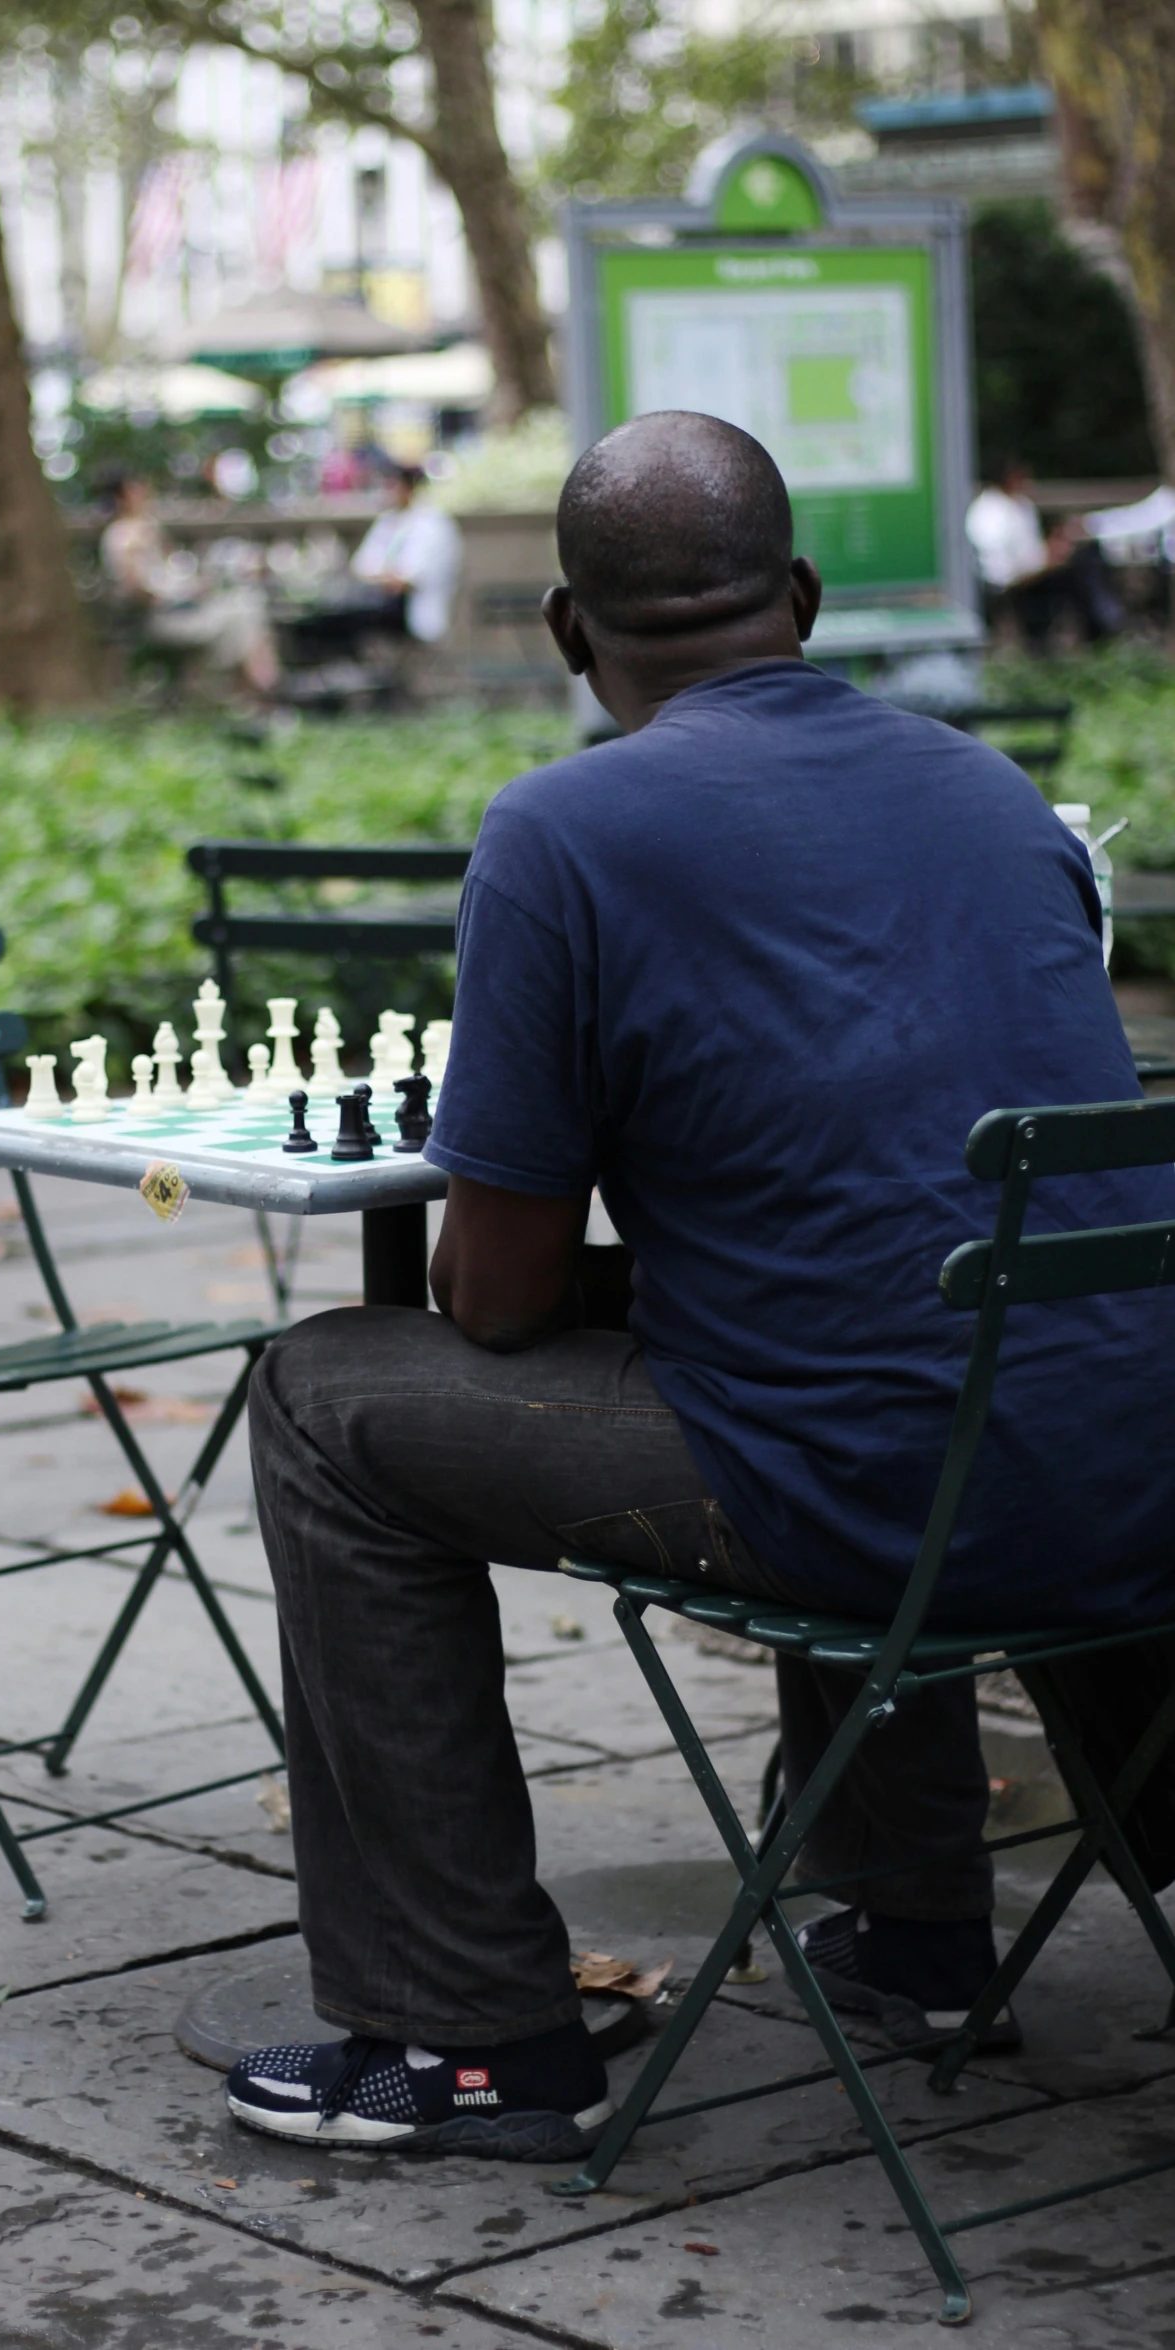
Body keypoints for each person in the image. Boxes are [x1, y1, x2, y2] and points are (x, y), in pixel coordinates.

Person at [226, 411, 1175, 2161]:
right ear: (802, 597)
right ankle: (914, 1938)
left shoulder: (562, 832)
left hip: (870, 1499)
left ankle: (473, 2042)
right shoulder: (993, 797)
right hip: (1123, 1477)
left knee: (322, 1399)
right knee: (848, 1346)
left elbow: (495, 1304)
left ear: (570, 636)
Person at [98, 474, 279, 701]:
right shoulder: (121, 536)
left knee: (246, 606)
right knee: (245, 612)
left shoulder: (149, 526)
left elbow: (174, 569)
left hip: (184, 607)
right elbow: (135, 587)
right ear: (121, 497)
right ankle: (260, 692)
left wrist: (194, 589)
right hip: (161, 618)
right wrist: (175, 599)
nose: (144, 492)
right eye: (135, 489)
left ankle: (257, 691)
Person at [965, 459, 1121, 649]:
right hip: (1015, 581)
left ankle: (1103, 623)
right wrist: (1043, 562)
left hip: (1032, 570)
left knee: (1087, 554)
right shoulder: (989, 513)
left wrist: (1053, 549)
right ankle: (1104, 624)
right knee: (1082, 570)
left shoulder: (1020, 504)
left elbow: (1028, 548)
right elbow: (1001, 568)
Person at [348, 463, 463, 646]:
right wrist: (385, 576)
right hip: (382, 602)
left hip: (409, 610)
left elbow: (409, 578)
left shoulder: (433, 524)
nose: (385, 492)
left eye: (391, 486)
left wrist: (384, 577)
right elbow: (361, 565)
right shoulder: (387, 521)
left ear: (408, 488)